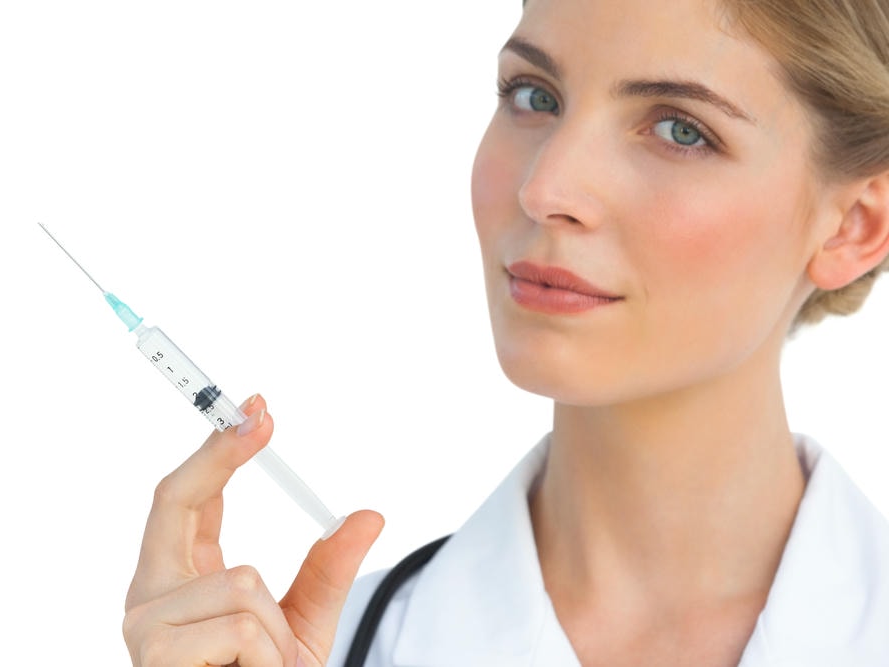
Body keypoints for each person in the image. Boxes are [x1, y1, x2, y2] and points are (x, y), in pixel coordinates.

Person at [121, 0, 889, 664]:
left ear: (853, 226)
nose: (544, 187)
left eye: (680, 130)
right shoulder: (319, 648)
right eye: (534, 95)